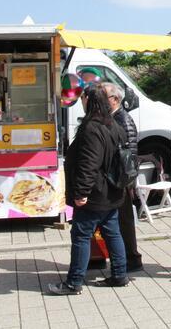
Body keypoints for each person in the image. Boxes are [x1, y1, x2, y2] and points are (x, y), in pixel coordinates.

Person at [49, 86, 129, 295]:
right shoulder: (112, 124)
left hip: (95, 194)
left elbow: (88, 164)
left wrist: (81, 193)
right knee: (112, 233)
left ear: (88, 100)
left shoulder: (92, 128)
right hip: (111, 191)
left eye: (82, 97)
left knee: (81, 236)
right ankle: (120, 275)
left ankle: (74, 282)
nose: (81, 101)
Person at [101, 82, 144, 273]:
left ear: (115, 99)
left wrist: (125, 179)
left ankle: (132, 258)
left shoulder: (122, 119)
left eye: (104, 97)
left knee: (124, 220)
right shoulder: (112, 117)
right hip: (117, 177)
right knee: (120, 219)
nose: (101, 101)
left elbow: (130, 152)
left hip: (122, 178)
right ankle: (126, 257)